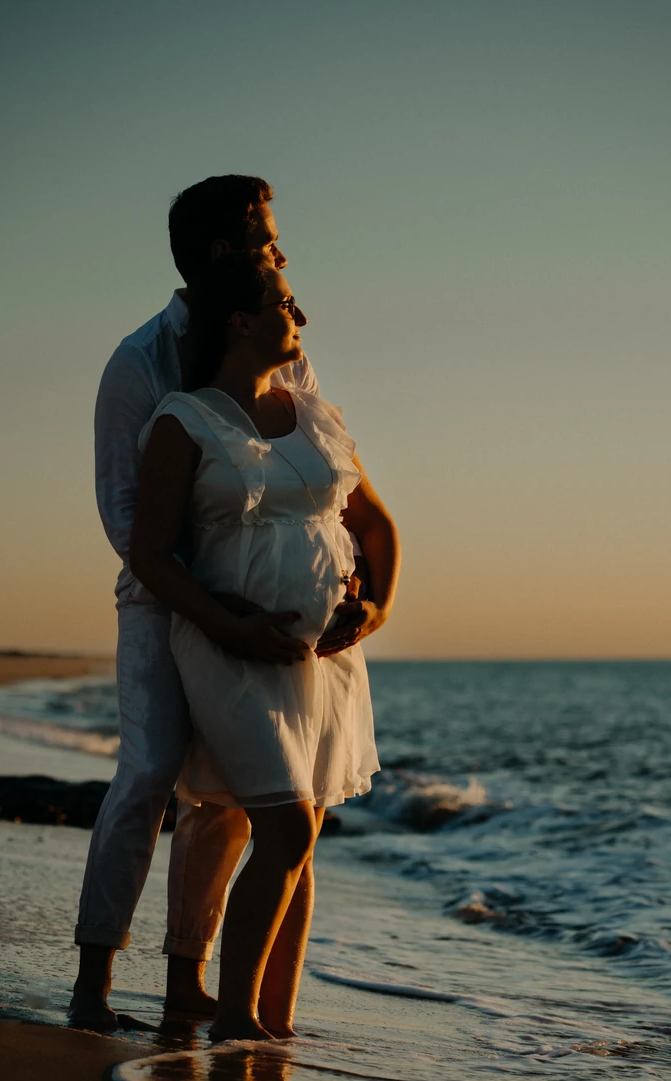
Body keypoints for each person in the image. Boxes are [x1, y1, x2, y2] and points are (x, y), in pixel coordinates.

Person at [71, 176, 332, 1030]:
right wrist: (208, 603)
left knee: (224, 794)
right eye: (269, 237)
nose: (282, 253)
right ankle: (94, 981)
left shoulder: (281, 342)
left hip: (253, 600)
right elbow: (124, 518)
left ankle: (186, 987)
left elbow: (314, 456)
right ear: (226, 250)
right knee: (148, 771)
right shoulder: (137, 362)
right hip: (160, 594)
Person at [129, 253, 400, 1039]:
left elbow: (375, 526)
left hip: (323, 659)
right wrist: (227, 624)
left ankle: (274, 1022)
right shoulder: (185, 420)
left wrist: (375, 607)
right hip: (227, 647)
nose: (302, 319)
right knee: (284, 830)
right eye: (288, 304)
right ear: (241, 321)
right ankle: (236, 1018)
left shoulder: (315, 415)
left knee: (301, 838)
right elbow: (149, 554)